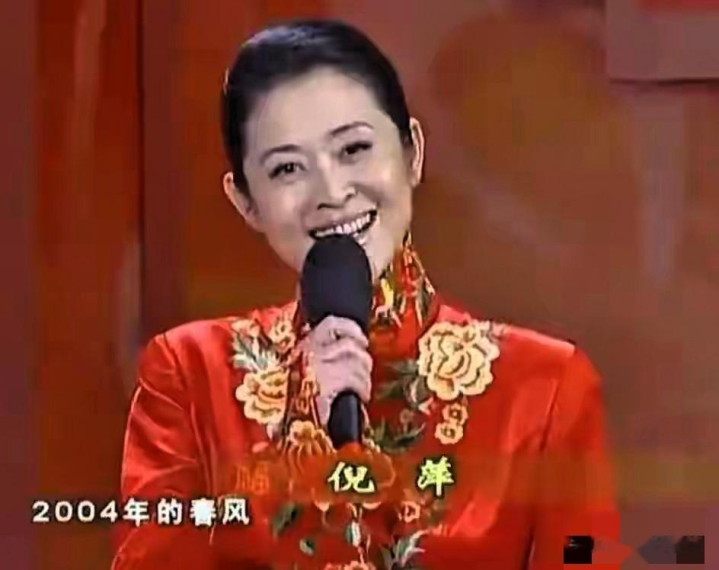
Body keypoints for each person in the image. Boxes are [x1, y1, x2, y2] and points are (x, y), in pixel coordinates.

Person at [112, 19, 618, 570]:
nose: (331, 193)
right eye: (287, 168)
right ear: (246, 202)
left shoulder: (544, 388)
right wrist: (302, 432)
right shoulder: (189, 378)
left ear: (412, 152)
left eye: (353, 148)